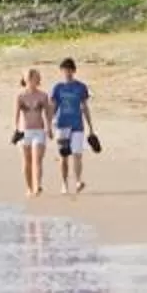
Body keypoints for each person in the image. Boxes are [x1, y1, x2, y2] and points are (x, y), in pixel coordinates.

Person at [49, 57, 96, 196]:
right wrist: (48, 124)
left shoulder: (81, 87)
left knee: (77, 154)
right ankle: (64, 183)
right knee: (64, 156)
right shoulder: (57, 88)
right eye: (64, 70)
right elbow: (53, 106)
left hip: (77, 125)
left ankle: (78, 181)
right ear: (61, 71)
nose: (67, 73)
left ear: (74, 71)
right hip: (62, 125)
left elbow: (84, 107)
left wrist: (91, 127)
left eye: (70, 70)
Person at [11, 67, 55, 197]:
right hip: (24, 132)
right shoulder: (20, 96)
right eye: (30, 77)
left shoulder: (43, 95)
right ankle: (29, 187)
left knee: (37, 160)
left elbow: (47, 113)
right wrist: (16, 129)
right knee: (27, 162)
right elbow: (16, 114)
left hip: (39, 131)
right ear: (25, 79)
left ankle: (38, 186)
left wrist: (49, 128)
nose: (33, 79)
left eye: (35, 77)